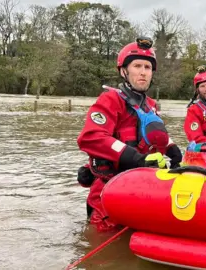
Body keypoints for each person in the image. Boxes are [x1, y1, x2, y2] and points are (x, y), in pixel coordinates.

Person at [76, 37, 183, 231]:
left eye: (147, 68)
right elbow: (91, 137)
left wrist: (172, 148)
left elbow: (152, 135)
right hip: (109, 194)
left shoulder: (151, 105)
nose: (143, 72)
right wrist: (136, 158)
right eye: (137, 66)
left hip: (142, 190)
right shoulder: (110, 100)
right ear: (124, 71)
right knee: (104, 252)